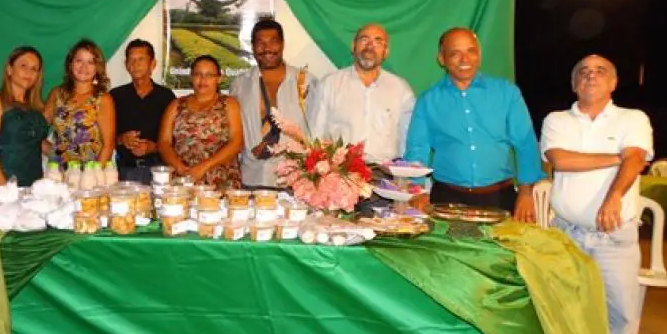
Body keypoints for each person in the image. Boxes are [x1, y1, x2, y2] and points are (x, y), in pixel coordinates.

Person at [540, 54, 653, 334]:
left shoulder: (632, 119)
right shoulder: (557, 120)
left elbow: (636, 160)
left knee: (620, 319)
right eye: (583, 72)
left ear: (614, 83)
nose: (591, 76)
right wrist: (616, 157)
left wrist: (613, 196)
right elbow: (561, 160)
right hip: (567, 234)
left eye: (600, 71)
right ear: (574, 85)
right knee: (564, 315)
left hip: (613, 237)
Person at [405, 27, 541, 221]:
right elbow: (417, 150)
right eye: (455, 53)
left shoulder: (507, 93)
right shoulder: (428, 101)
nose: (464, 59)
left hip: (501, 198)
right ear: (441, 59)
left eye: (471, 51)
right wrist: (416, 191)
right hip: (446, 200)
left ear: (479, 55)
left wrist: (526, 193)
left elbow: (526, 144)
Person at [307, 23, 415, 163]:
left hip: (386, 177)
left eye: (378, 41)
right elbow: (314, 135)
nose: (370, 46)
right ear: (353, 46)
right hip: (340, 175)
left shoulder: (400, 89)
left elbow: (408, 140)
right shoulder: (329, 84)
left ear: (386, 51)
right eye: (364, 39)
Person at [229, 17, 315, 189]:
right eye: (260, 42)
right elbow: (232, 130)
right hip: (250, 177)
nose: (267, 48)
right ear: (252, 47)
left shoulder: (305, 81)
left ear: (282, 44)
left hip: (294, 181)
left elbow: (317, 129)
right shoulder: (239, 84)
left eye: (273, 41)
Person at [158, 55, 243, 189]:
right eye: (198, 74)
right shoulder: (176, 105)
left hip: (220, 181)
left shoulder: (228, 104)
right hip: (183, 180)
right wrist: (178, 167)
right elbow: (163, 143)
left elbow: (236, 143)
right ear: (191, 77)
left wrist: (203, 167)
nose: (203, 80)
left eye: (209, 75)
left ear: (218, 79)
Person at [0, 46, 50, 187]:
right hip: (5, 187)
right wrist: (6, 190)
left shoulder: (35, 108)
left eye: (34, 69)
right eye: (23, 66)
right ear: (9, 70)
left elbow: (34, 142)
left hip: (34, 186)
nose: (29, 72)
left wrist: (62, 154)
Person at [109, 39, 176, 184]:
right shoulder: (115, 96)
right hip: (125, 171)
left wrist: (153, 147)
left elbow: (176, 139)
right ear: (126, 65)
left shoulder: (166, 96)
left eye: (141, 59)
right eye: (131, 60)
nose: (135, 64)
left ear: (153, 64)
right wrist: (121, 139)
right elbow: (103, 137)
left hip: (159, 171)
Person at [45, 39, 116, 168]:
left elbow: (108, 145)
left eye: (90, 62)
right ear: (70, 63)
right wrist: (53, 152)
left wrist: (94, 178)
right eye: (79, 61)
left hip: (90, 175)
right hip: (58, 175)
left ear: (97, 67)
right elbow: (36, 131)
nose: (84, 67)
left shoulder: (103, 99)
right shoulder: (56, 94)